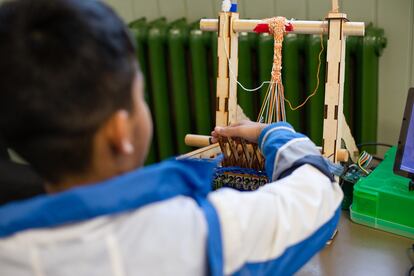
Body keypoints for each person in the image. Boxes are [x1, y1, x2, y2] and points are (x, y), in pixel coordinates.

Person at [0, 0, 343, 275]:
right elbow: (319, 193)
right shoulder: (194, 234)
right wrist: (274, 132)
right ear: (120, 132)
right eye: (140, 95)